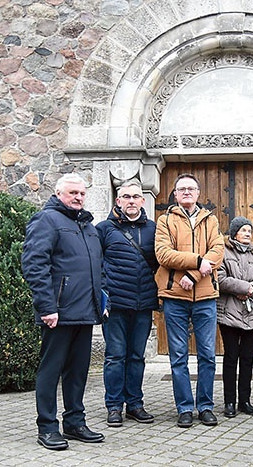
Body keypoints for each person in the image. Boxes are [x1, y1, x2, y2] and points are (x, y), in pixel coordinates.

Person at [21, 173, 105, 451]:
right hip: (58, 312)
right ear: (59, 194)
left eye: (82, 193)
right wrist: (46, 306)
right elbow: (34, 264)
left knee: (78, 371)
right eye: (72, 193)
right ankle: (47, 427)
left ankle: (74, 422)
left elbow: (97, 270)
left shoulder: (88, 227)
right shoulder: (46, 220)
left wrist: (101, 303)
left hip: (85, 312)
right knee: (51, 370)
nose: (78, 197)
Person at [154, 173, 225, 428]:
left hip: (205, 296)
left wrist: (194, 275)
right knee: (178, 356)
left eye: (191, 189)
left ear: (198, 193)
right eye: (181, 189)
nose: (186, 192)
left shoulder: (211, 220)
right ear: (174, 195)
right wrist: (197, 261)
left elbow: (217, 252)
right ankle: (184, 407)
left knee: (207, 355)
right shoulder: (165, 221)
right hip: (174, 297)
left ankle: (205, 406)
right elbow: (163, 254)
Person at [96, 179, 159, 428]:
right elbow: (96, 264)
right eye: (126, 197)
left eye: (135, 197)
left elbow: (161, 262)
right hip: (115, 305)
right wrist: (104, 293)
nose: (131, 201)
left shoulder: (154, 229)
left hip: (143, 304)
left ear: (143, 201)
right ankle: (113, 406)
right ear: (118, 201)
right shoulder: (103, 229)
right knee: (115, 356)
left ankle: (134, 404)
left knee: (136, 357)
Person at [217, 216, 253, 418]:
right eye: (243, 230)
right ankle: (229, 401)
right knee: (231, 358)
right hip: (229, 312)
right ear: (234, 232)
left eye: (249, 231)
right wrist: (244, 287)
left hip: (252, 312)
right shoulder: (223, 251)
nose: (247, 234)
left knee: (247, 359)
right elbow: (220, 278)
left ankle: (245, 400)